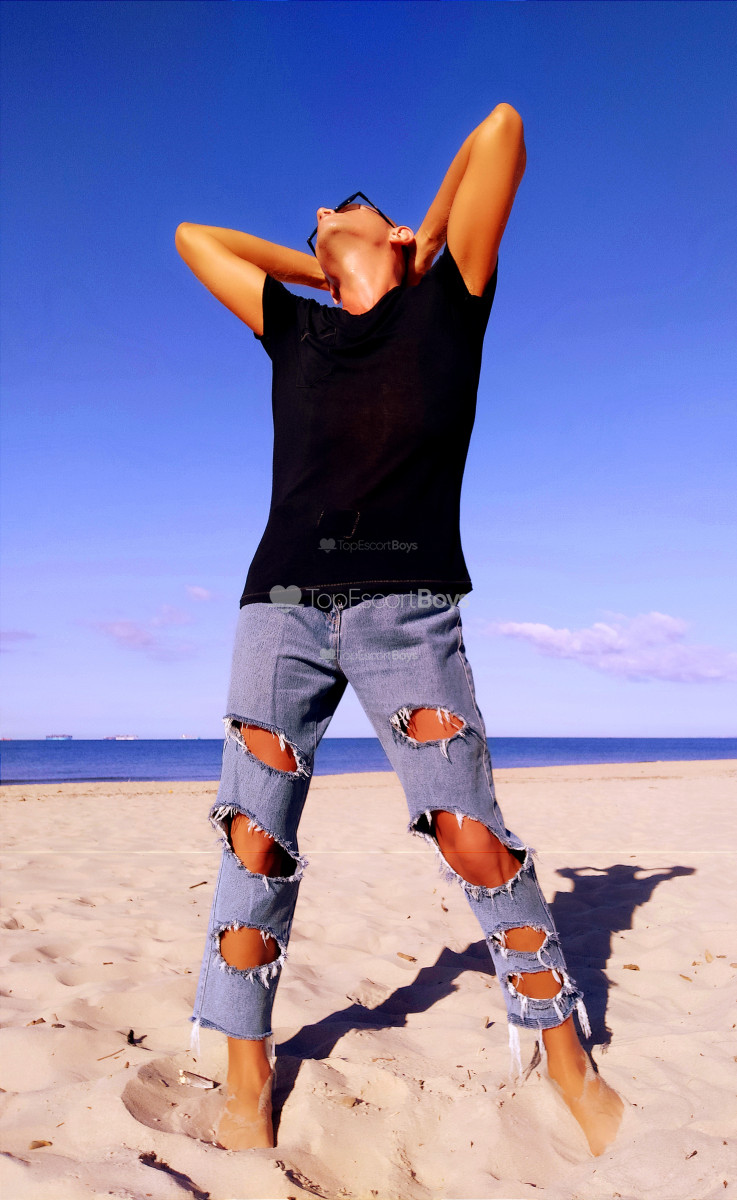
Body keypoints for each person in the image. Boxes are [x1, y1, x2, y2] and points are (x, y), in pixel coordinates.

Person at [174, 103, 624, 1156]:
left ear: (406, 234)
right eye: (318, 215)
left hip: (408, 611)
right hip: (280, 608)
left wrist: (413, 245)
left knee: (471, 836)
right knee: (253, 840)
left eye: (345, 205)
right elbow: (195, 239)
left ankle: (561, 1048)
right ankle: (246, 1071)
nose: (324, 208)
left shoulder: (448, 303)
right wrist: (325, 256)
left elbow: (502, 129)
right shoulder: (295, 327)